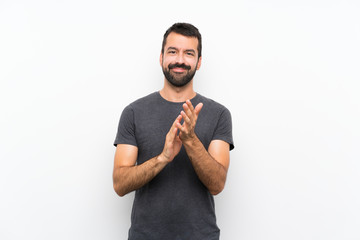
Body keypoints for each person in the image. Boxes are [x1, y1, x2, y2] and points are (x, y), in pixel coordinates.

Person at [113, 22, 234, 240]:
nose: (180, 60)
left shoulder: (219, 114)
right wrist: (163, 158)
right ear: (161, 58)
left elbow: (217, 184)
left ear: (198, 62)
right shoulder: (133, 112)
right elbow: (120, 184)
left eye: (189, 53)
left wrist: (190, 140)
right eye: (172, 51)